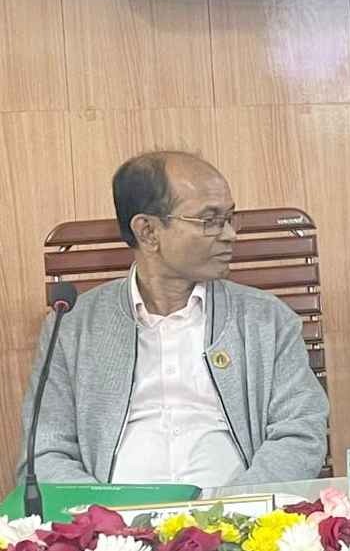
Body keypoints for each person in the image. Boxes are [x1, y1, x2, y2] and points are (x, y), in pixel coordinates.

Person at [17, 152, 329, 487]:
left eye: (229, 218)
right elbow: (45, 453)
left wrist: (234, 505)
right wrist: (103, 511)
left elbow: (300, 433)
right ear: (148, 231)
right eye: (210, 220)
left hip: (236, 511)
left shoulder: (267, 320)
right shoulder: (72, 327)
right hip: (114, 516)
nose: (230, 234)